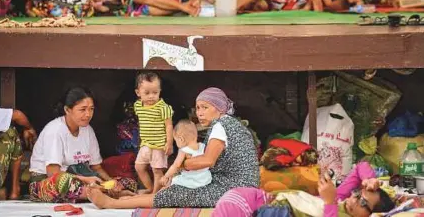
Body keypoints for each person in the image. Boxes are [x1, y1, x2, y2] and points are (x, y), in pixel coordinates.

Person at [86, 87, 259, 209]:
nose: (199, 113)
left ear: (220, 108)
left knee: (176, 193)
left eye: (205, 107)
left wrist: (182, 166)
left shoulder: (220, 126)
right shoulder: (233, 125)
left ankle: (111, 204)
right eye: (198, 108)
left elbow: (208, 160)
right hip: (245, 185)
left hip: (233, 188)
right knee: (177, 187)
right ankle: (135, 198)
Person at [29, 87, 136, 203]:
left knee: (128, 183)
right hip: (47, 183)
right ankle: (103, 194)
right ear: (67, 110)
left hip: (82, 179)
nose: (88, 114)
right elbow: (53, 173)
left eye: (91, 109)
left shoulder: (88, 130)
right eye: (83, 109)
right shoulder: (55, 130)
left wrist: (111, 182)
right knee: (64, 182)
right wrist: (87, 179)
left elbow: (96, 167)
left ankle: (103, 192)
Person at [212, 162, 395, 217]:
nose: (354, 199)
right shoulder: (341, 199)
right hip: (262, 204)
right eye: (357, 193)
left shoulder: (336, 205)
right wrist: (369, 179)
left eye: (363, 202)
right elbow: (359, 166)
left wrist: (329, 202)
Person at [133, 72, 174, 194]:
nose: (151, 96)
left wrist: (169, 143)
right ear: (138, 93)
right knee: (139, 167)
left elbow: (169, 126)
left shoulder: (163, 107)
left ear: (160, 91)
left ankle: (155, 194)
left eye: (155, 93)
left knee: (157, 170)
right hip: (145, 144)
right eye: (147, 93)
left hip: (159, 146)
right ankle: (150, 188)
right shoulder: (137, 106)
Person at [160, 119, 212, 189]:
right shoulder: (203, 146)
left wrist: (166, 176)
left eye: (176, 141)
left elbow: (176, 166)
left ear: (181, 139)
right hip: (205, 179)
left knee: (174, 180)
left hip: (192, 180)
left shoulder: (184, 150)